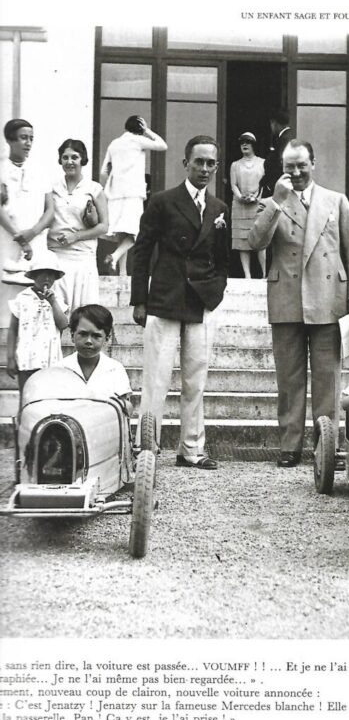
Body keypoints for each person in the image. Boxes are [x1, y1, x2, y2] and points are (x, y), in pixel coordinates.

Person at [248, 139, 349, 468]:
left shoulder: (336, 201)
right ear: (282, 169)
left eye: (302, 165)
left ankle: (327, 447)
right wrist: (276, 203)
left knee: (328, 378)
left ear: (313, 164)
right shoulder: (273, 202)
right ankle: (290, 445)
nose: (296, 172)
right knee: (289, 378)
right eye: (289, 167)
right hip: (286, 299)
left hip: (329, 300)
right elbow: (255, 241)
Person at [130, 134, 229, 470]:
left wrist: (215, 292)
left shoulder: (219, 209)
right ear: (185, 163)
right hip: (165, 299)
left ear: (216, 167)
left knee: (195, 379)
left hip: (201, 301)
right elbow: (141, 252)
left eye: (210, 163)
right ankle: (147, 447)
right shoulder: (162, 201)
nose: (204, 168)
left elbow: (222, 258)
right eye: (198, 161)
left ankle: (192, 450)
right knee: (156, 378)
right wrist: (139, 301)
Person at [100, 115, 167, 275]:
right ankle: (115, 256)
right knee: (137, 231)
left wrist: (108, 187)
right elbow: (162, 145)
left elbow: (103, 172)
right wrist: (147, 130)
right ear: (139, 129)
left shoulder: (114, 144)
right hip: (133, 193)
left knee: (124, 232)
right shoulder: (137, 140)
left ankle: (122, 271)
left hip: (115, 194)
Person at [48, 139, 108, 309]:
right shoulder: (52, 187)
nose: (69, 162)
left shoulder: (94, 188)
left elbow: (104, 226)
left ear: (83, 159)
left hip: (83, 259)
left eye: (74, 157)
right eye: (65, 157)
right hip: (56, 257)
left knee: (85, 315)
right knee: (56, 313)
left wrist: (75, 236)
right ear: (60, 160)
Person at [0, 119, 53, 309]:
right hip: (8, 242)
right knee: (6, 302)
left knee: (31, 300)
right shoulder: (1, 170)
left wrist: (32, 232)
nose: (28, 143)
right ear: (10, 140)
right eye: (23, 138)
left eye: (31, 138)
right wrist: (21, 239)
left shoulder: (40, 171)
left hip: (36, 242)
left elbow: (50, 210)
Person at [6, 253, 69, 401]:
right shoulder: (22, 298)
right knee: (27, 400)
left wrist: (53, 302)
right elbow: (12, 330)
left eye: (51, 275)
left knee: (48, 400)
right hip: (27, 361)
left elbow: (63, 324)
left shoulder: (58, 299)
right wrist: (10, 358)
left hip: (50, 362)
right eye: (42, 274)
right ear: (34, 276)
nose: (47, 279)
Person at [62, 304, 131, 407]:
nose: (89, 341)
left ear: (106, 339)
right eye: (83, 334)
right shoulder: (60, 368)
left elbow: (125, 408)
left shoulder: (115, 369)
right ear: (72, 335)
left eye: (96, 336)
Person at [230, 132, 266, 278]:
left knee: (261, 238)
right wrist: (241, 197)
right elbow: (233, 184)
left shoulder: (263, 163)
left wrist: (257, 197)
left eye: (248, 142)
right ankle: (247, 275)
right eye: (242, 142)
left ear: (253, 144)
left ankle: (264, 274)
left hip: (258, 204)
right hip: (241, 205)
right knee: (242, 240)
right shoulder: (235, 165)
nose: (244, 144)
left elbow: (264, 183)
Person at [258, 109, 294, 198]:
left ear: (274, 123)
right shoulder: (287, 136)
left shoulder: (284, 139)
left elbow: (282, 163)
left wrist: (270, 186)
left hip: (277, 188)